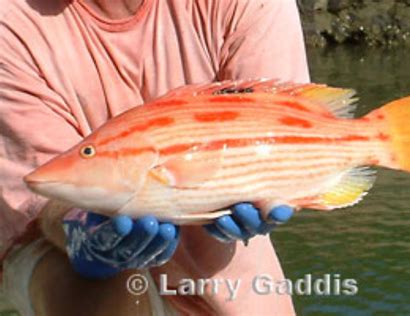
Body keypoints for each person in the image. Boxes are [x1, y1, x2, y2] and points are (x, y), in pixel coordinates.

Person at [0, 0, 310, 314]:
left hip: (222, 248)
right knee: (99, 290)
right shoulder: (9, 25)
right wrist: (82, 231)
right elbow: (43, 194)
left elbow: (291, 127)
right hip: (54, 245)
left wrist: (271, 193)